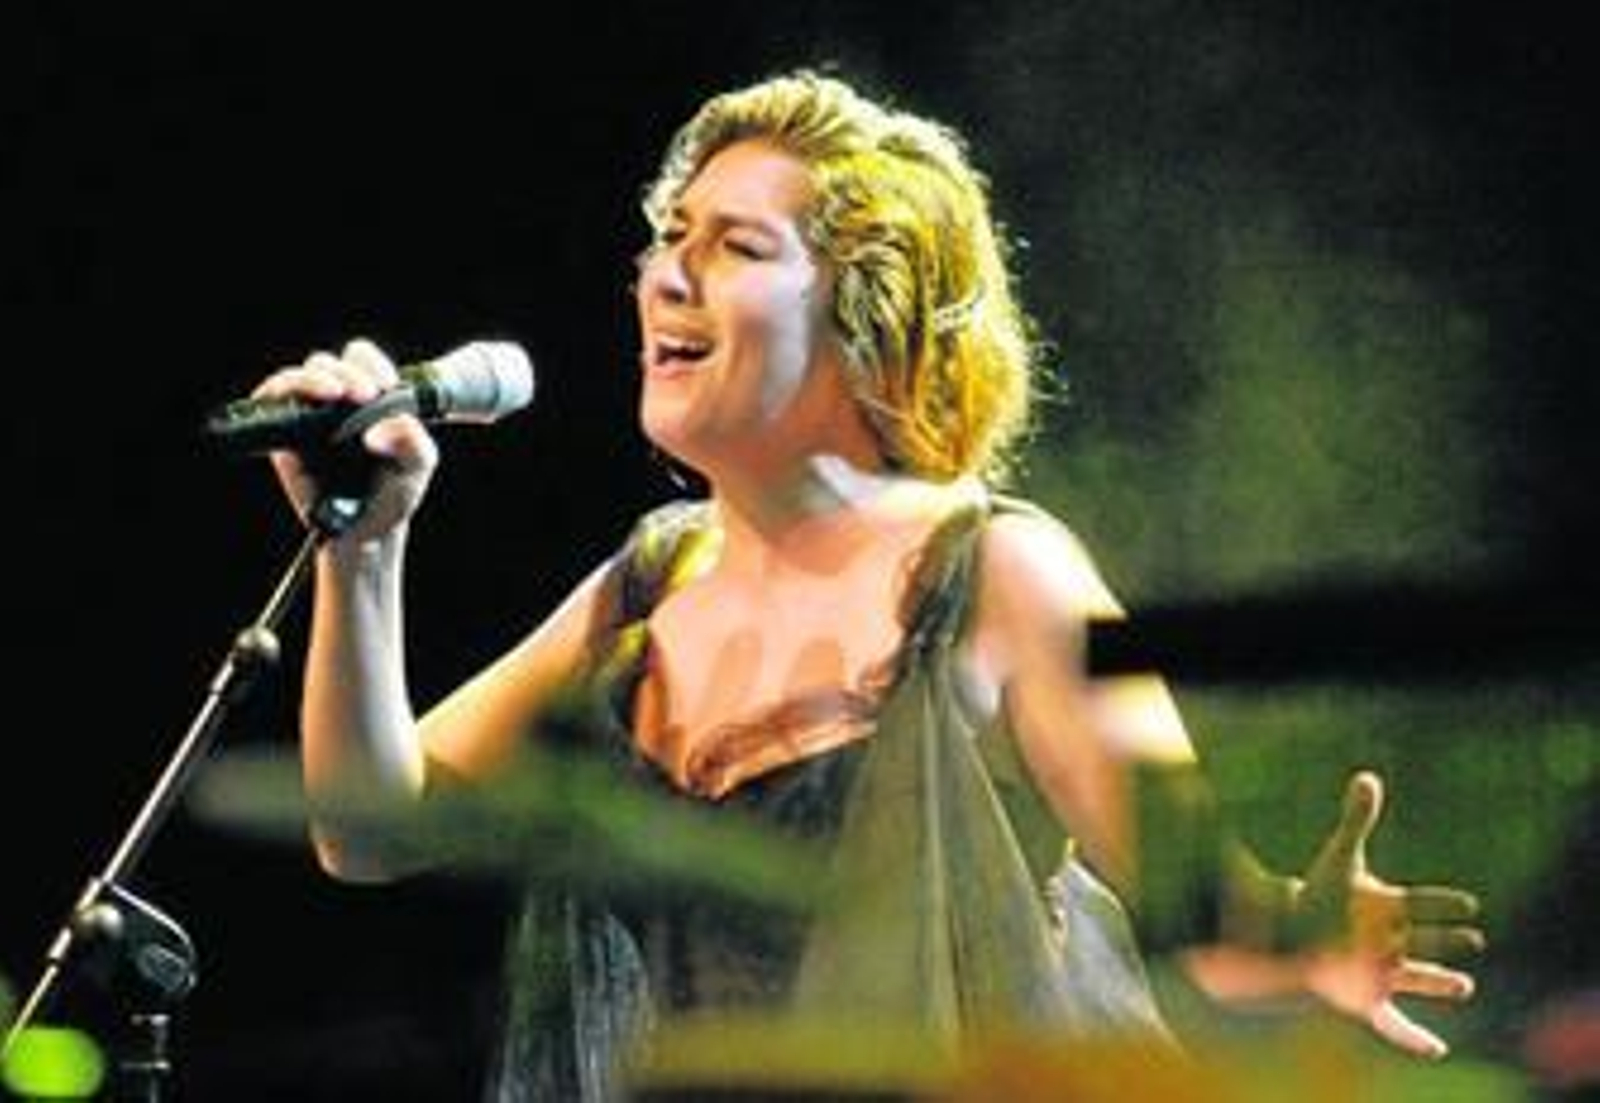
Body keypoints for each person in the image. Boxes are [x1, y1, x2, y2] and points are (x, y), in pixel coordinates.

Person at [247, 68, 1482, 1100]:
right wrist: (366, 548)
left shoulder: (996, 570)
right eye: (668, 239)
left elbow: (1201, 913)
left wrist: (1308, 938)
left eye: (735, 245)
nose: (665, 275)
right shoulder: (651, 581)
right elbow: (368, 826)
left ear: (868, 314)